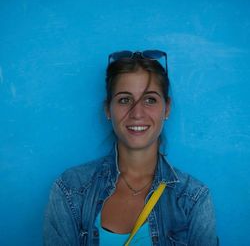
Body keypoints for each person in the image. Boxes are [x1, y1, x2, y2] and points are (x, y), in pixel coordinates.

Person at [44, 50, 218, 245]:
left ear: (167, 108)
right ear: (108, 110)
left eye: (150, 99)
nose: (137, 113)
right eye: (125, 100)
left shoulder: (193, 198)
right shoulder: (70, 189)